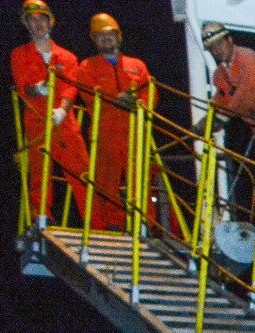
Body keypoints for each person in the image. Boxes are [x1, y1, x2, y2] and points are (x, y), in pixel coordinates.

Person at [10, 0, 90, 225]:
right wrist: (38, 88)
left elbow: (71, 87)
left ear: (50, 22)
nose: (37, 24)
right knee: (39, 173)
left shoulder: (67, 57)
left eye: (41, 19)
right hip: (37, 121)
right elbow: (22, 85)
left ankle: (95, 222)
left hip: (64, 123)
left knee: (81, 173)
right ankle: (41, 218)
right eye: (32, 20)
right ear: (26, 24)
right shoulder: (19, 54)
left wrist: (63, 110)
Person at [73, 13, 151, 232]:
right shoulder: (87, 67)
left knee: (141, 179)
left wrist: (139, 103)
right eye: (101, 35)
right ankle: (113, 224)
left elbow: (150, 92)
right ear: (94, 39)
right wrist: (115, 99)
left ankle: (144, 223)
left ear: (119, 36)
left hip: (135, 131)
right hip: (105, 134)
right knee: (107, 182)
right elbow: (88, 94)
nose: (106, 38)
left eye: (110, 34)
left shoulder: (137, 65)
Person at [201, 20, 255, 212]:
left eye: (218, 44)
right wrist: (205, 121)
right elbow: (220, 99)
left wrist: (222, 117)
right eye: (212, 48)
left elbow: (247, 93)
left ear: (229, 40)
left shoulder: (247, 58)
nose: (216, 51)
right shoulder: (220, 75)